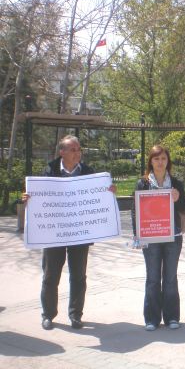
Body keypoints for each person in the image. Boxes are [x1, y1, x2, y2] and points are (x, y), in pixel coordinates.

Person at [31, 135, 114, 330]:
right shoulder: (49, 171)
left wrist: (108, 191)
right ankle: (48, 314)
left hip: (79, 233)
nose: (78, 153)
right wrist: (30, 198)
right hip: (54, 232)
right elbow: (40, 196)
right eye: (73, 149)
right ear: (62, 152)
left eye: (79, 149)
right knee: (50, 276)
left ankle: (76, 314)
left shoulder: (88, 172)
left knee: (78, 276)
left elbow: (99, 196)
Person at [131, 145, 185, 331]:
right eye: (156, 159)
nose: (160, 162)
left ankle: (172, 316)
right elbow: (135, 210)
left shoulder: (176, 183)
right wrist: (137, 235)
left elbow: (184, 206)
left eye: (163, 158)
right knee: (153, 277)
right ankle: (152, 318)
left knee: (170, 277)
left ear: (168, 161)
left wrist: (178, 197)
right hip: (150, 236)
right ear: (151, 161)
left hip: (173, 236)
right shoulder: (143, 183)